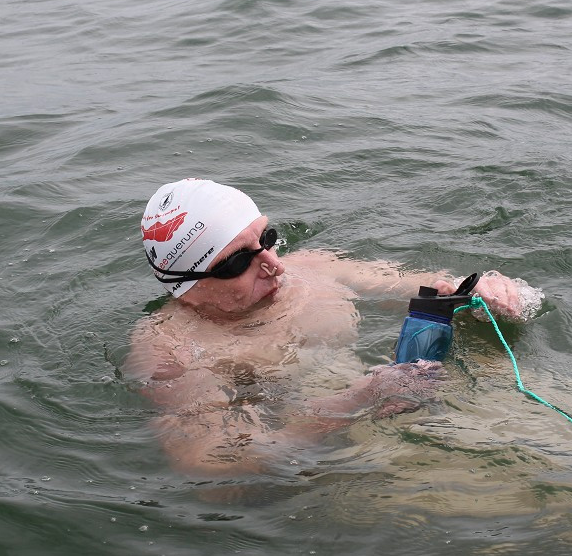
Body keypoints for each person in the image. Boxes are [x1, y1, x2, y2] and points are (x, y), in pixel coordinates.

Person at [126, 179, 535, 477]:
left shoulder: (316, 267)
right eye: (238, 262)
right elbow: (213, 467)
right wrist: (361, 398)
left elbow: (429, 287)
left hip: (430, 392)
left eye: (266, 239)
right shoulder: (172, 347)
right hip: (351, 455)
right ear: (187, 287)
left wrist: (485, 290)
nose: (274, 264)